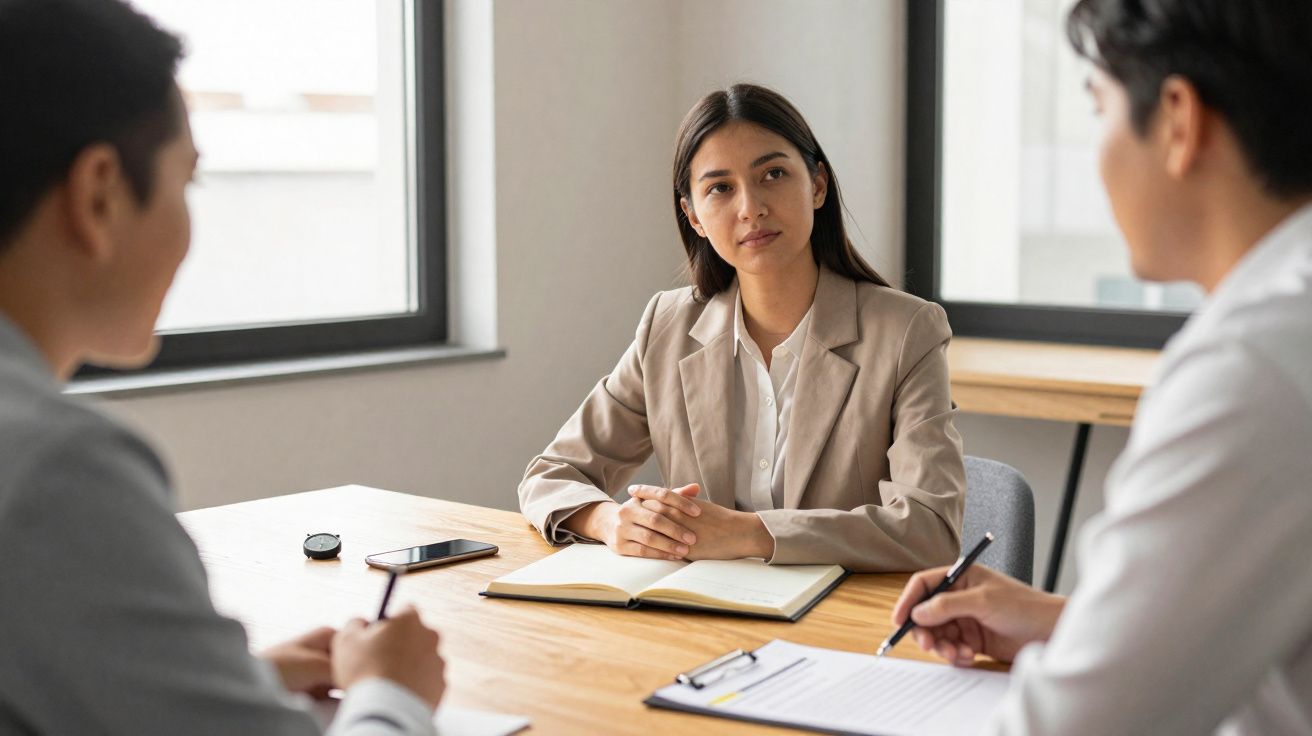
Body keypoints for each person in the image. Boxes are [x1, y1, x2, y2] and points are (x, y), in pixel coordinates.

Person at [0, 0, 446, 733]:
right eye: (188, 183)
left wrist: (222, 684)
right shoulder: (57, 469)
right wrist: (394, 691)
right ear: (99, 191)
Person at [890, 0, 1312, 732]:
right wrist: (1067, 621)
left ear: (1178, 120)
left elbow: (1076, 724)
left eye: (1100, 108)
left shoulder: (1252, 367)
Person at [518, 84, 966, 572]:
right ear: (694, 216)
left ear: (816, 185)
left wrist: (750, 534)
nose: (751, 207)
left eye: (773, 174)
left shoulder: (906, 332)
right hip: (699, 615)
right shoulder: (666, 327)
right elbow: (550, 475)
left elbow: (930, 527)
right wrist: (609, 521)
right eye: (720, 188)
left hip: (838, 619)